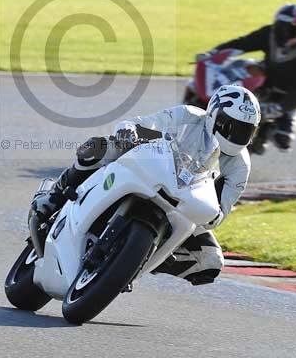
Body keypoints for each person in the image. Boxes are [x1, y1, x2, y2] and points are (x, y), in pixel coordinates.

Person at [32, 84, 260, 287]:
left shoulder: (241, 165)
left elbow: (219, 214)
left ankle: (135, 261)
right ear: (215, 117)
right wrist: (130, 131)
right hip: (156, 169)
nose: (238, 136)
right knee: (99, 147)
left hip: (187, 202)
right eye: (232, 127)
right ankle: (55, 195)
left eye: (246, 131)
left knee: (210, 262)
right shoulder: (188, 116)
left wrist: (210, 213)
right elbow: (146, 125)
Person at [211, 3, 296, 154]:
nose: (285, 33)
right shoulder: (270, 33)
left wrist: (279, 108)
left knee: (283, 140)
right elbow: (244, 43)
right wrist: (216, 52)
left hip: (289, 95)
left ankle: (264, 135)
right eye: (282, 26)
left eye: (292, 28)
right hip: (268, 78)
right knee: (244, 69)